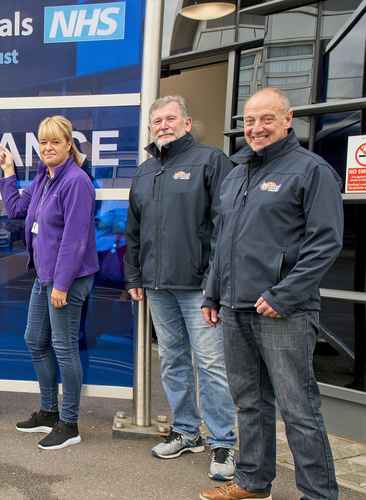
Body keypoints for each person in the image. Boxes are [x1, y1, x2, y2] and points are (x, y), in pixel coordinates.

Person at [200, 87, 343, 500]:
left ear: (287, 119)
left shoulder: (310, 171)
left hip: (284, 312)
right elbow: (222, 240)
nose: (256, 128)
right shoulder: (237, 173)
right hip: (234, 307)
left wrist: (284, 295)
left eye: (266, 119)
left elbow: (325, 243)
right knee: (249, 402)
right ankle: (252, 481)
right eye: (249, 121)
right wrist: (212, 294)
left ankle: (318, 494)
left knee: (298, 409)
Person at [124, 96, 237, 480]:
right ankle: (186, 431)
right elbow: (133, 232)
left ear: (187, 123)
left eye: (171, 118)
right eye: (157, 121)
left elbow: (227, 228)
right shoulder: (144, 172)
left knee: (210, 365)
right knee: (172, 361)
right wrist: (134, 276)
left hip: (199, 289)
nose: (163, 125)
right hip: (157, 285)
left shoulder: (211, 161)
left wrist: (215, 285)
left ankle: (224, 442)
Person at [0, 115, 98, 450]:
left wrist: (61, 284)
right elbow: (15, 210)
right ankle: (48, 410)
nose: (48, 147)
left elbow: (75, 239)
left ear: (69, 144)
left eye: (55, 141)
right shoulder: (44, 178)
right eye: (43, 142)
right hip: (45, 276)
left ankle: (69, 424)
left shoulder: (77, 181)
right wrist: (9, 174)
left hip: (66, 280)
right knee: (34, 340)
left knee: (64, 347)